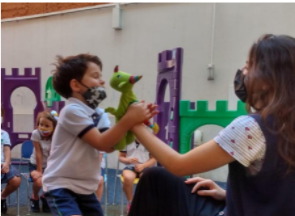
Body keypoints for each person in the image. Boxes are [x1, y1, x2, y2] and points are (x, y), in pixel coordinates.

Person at [128, 34, 295, 216]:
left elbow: (178, 165)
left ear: (268, 81)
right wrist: (227, 195)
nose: (242, 73)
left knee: (154, 179)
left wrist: (135, 124)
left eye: (248, 66)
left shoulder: (251, 128)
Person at [42, 54, 158, 216]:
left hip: (86, 188)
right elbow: (101, 143)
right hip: (61, 185)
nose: (102, 81)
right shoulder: (72, 111)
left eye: (101, 76)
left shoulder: (99, 113)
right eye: (95, 76)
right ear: (76, 85)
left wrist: (134, 124)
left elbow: (110, 146)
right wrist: (128, 119)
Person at [29, 110, 58, 212]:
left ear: (53, 127)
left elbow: (53, 154)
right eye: (41, 124)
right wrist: (39, 171)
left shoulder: (56, 136)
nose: (43, 127)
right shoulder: (36, 134)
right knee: (38, 182)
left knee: (53, 181)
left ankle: (45, 197)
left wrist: (50, 170)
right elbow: (38, 153)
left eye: (47, 125)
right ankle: (35, 197)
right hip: (35, 164)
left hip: (50, 164)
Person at [119, 138, 156, 213]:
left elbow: (154, 159)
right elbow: (121, 157)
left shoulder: (149, 140)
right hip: (130, 166)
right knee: (128, 178)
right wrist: (128, 160)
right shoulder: (126, 140)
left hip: (145, 166)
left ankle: (143, 203)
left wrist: (143, 165)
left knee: (147, 178)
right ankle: (131, 203)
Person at [1, 106, 22, 214]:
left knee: (16, 180)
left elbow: (7, 151)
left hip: (3, 164)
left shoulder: (4, 134)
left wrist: (6, 164)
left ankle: (2, 197)